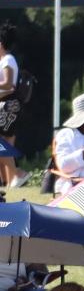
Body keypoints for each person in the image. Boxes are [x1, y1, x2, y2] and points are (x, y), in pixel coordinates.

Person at [0, 24, 21, 193]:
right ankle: (9, 180)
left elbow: (8, 83)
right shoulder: (4, 60)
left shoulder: (8, 60)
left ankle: (16, 176)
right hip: (5, 105)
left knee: (3, 144)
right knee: (6, 144)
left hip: (8, 105)